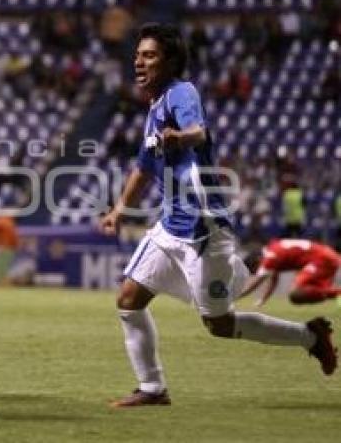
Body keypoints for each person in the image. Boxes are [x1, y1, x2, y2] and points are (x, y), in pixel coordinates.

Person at [99, 23, 337, 408]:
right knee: (128, 299)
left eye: (149, 55)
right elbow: (143, 167)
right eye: (138, 54)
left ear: (171, 61)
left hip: (202, 228)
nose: (138, 61)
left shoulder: (181, 92)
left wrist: (182, 136)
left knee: (220, 325)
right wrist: (119, 210)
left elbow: (199, 131)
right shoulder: (154, 108)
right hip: (169, 227)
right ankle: (153, 389)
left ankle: (311, 336)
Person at [240, 239, 341, 306]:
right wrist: (263, 300)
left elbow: (256, 282)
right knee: (299, 295)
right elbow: (274, 279)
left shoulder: (269, 257)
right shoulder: (273, 250)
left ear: (257, 260)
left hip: (322, 259)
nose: (258, 271)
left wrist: (237, 295)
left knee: (296, 293)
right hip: (325, 257)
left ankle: (338, 293)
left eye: (255, 269)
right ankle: (335, 293)